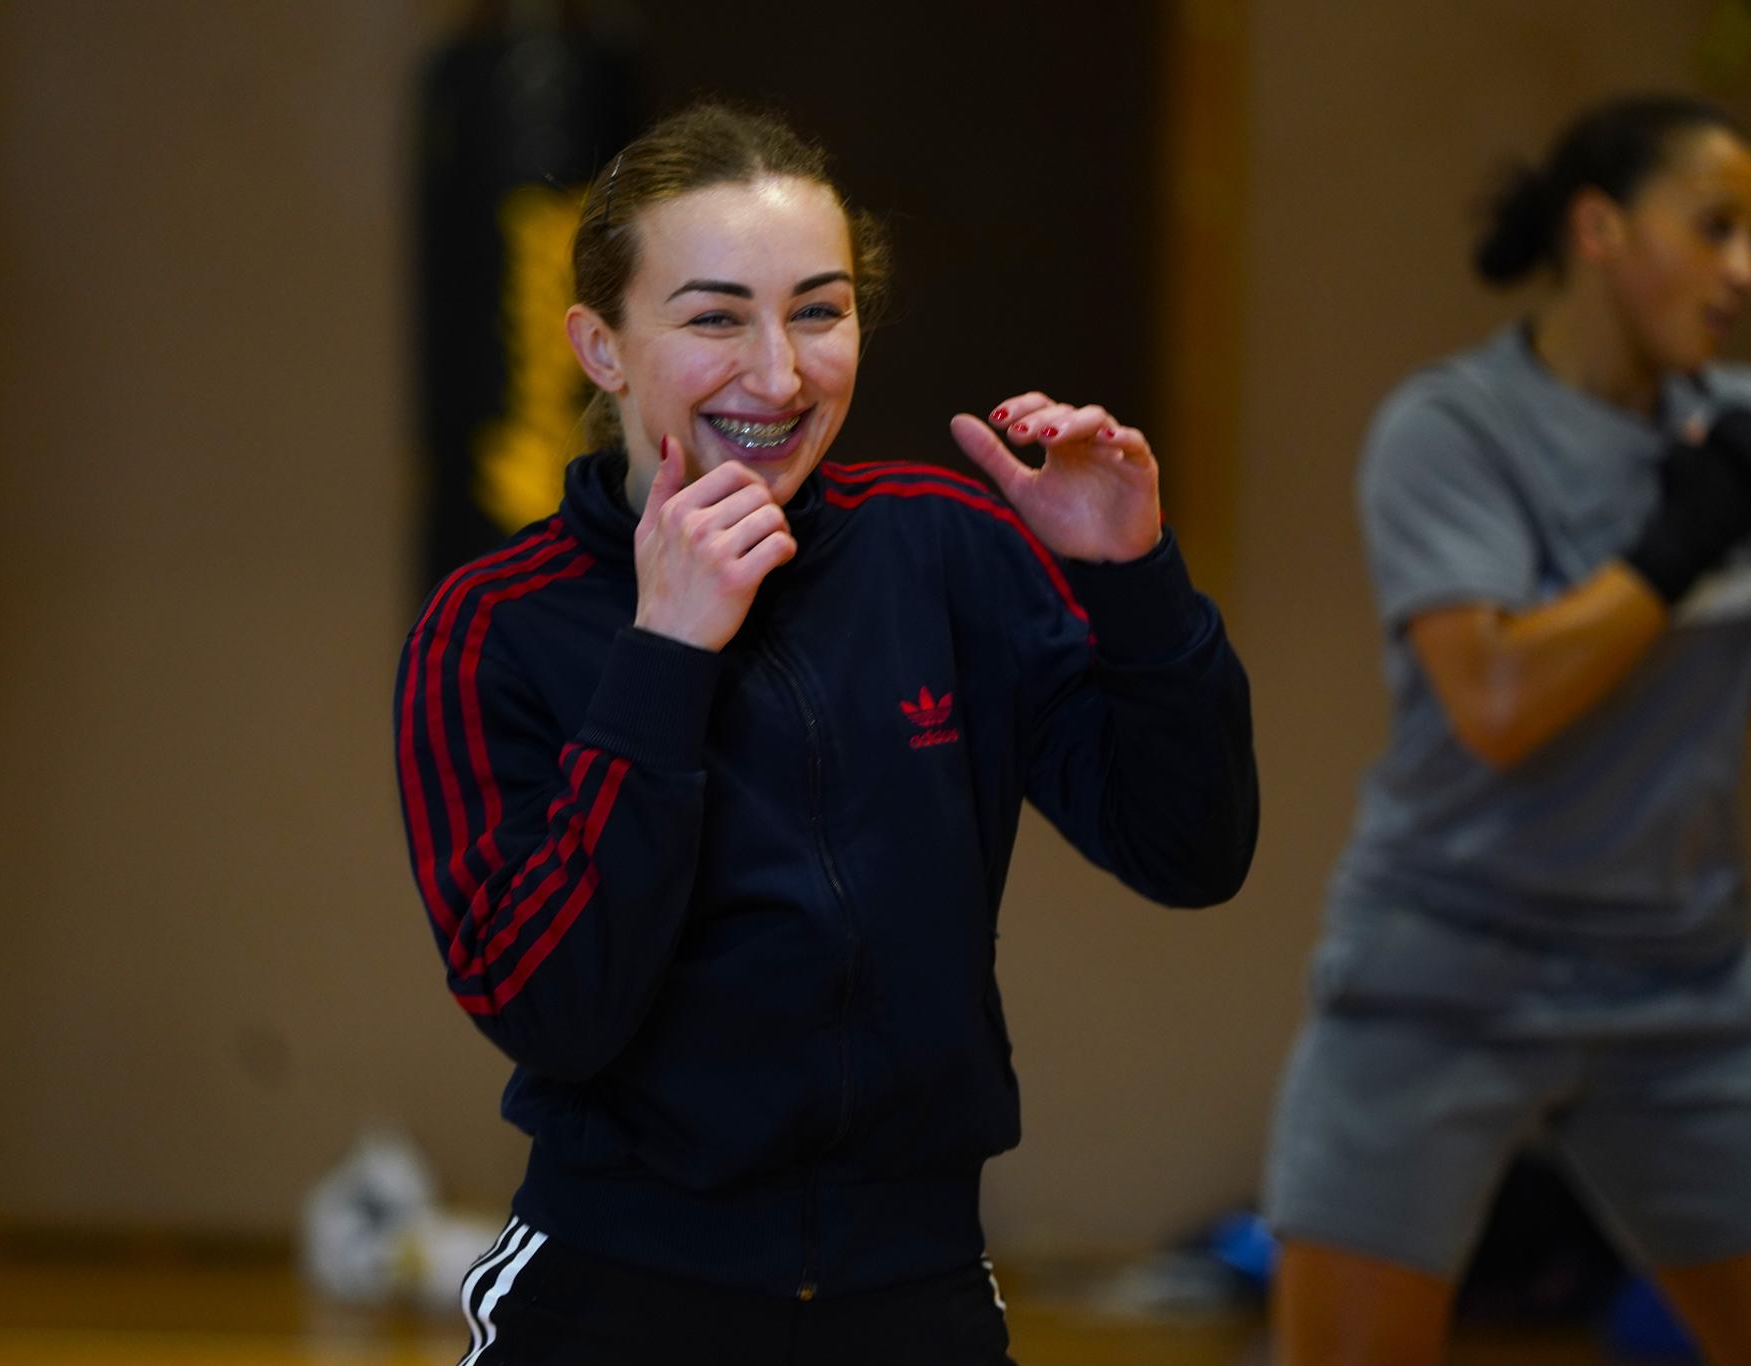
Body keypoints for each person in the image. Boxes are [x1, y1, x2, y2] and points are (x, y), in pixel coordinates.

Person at [393, 102, 1259, 1365]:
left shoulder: (942, 547)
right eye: (713, 318)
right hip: (614, 1295)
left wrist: (1134, 580)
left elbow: (1190, 848)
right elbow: (550, 1010)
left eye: (818, 311)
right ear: (600, 345)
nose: (779, 374)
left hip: (911, 1287)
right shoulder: (493, 626)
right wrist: (664, 656)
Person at [1262, 94, 1751, 1365]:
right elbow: (1497, 705)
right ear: (1598, 228)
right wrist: (1680, 536)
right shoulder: (1450, 430)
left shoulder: (1734, 417)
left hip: (1681, 984)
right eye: (1712, 227)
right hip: (1444, 972)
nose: (1742, 271)